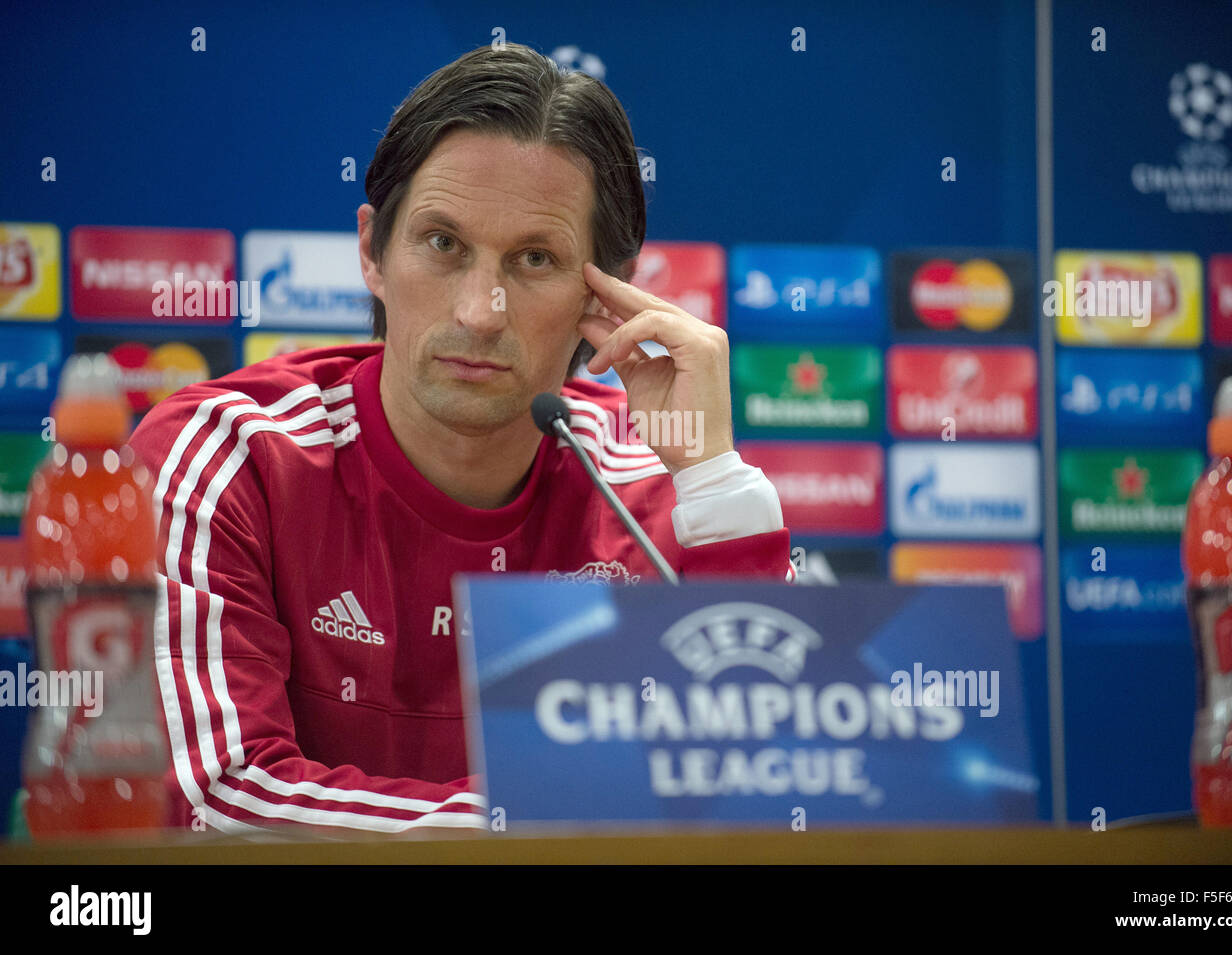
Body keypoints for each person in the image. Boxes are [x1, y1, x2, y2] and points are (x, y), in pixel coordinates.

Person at [127, 43, 793, 836]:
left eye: (535, 258)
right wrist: (541, 823)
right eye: (443, 244)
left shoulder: (646, 486)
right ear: (374, 252)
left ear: (608, 293)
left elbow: (773, 790)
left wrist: (715, 477)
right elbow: (216, 801)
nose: (481, 310)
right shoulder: (231, 458)